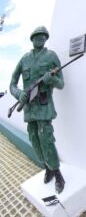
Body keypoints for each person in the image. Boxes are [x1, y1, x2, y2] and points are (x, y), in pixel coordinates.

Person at [10, 26, 65, 194]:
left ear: (46, 39)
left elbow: (61, 84)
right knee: (34, 139)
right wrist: (19, 94)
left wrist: (51, 79)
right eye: (37, 36)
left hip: (44, 105)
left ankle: (58, 174)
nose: (40, 39)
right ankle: (46, 167)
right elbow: (12, 83)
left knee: (46, 138)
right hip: (29, 108)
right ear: (32, 38)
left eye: (43, 36)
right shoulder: (24, 59)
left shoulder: (51, 56)